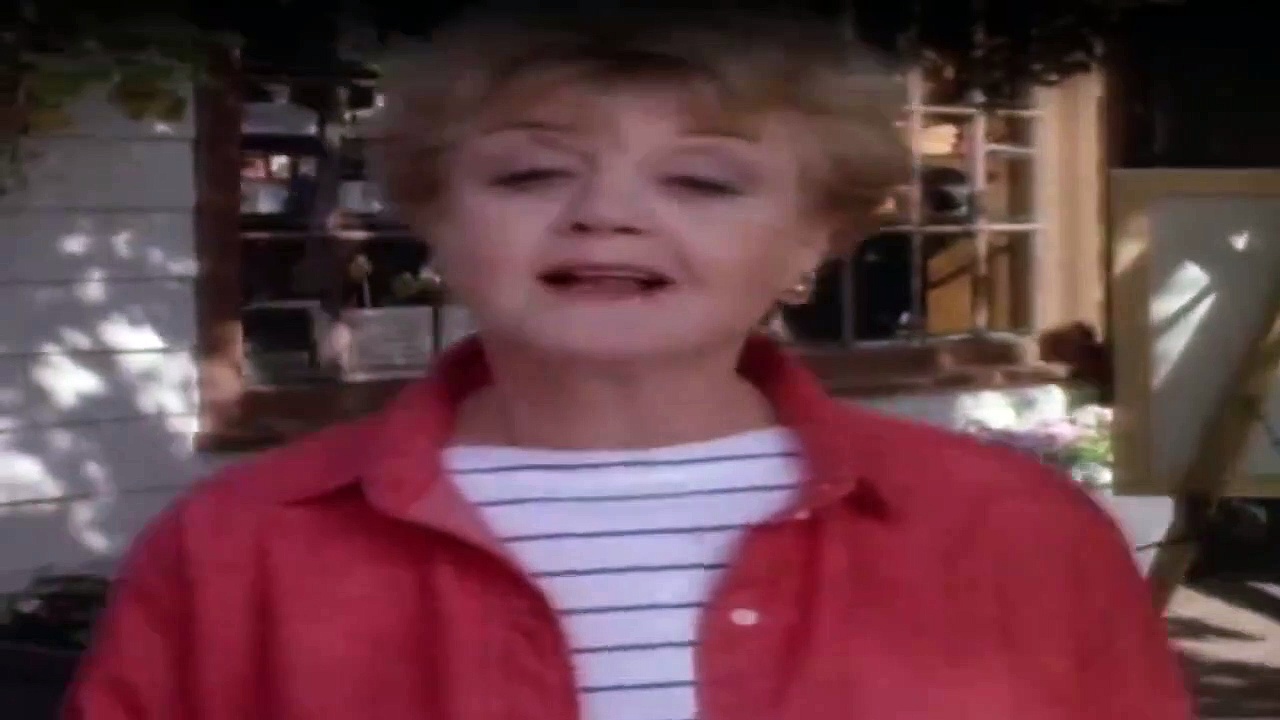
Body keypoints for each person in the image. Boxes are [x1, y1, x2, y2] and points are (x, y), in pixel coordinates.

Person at [65, 7, 1193, 720]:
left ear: (814, 239)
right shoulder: (234, 547)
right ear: (436, 220)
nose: (606, 213)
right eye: (529, 174)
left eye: (701, 181)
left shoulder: (1015, 531)